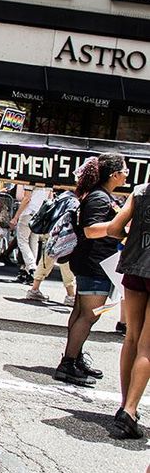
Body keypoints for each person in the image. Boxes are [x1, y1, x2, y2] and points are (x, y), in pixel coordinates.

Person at [53, 154, 127, 387]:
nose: (127, 174)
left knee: (80, 312)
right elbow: (91, 230)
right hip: (95, 265)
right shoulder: (99, 198)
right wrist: (121, 228)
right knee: (88, 316)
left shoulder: (101, 195)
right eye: (124, 170)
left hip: (94, 263)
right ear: (114, 174)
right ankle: (67, 364)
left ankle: (74, 359)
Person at [88, 181, 148, 438]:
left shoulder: (142, 191)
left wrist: (131, 237)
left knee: (132, 338)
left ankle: (125, 405)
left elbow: (113, 228)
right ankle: (131, 410)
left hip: (134, 265)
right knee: (147, 345)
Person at [10, 184, 50, 283]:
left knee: (22, 241)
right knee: (34, 242)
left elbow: (26, 199)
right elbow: (50, 200)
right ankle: (30, 272)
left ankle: (31, 267)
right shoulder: (49, 183)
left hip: (27, 213)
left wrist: (16, 217)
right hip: (39, 215)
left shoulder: (30, 182)